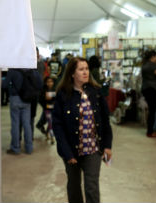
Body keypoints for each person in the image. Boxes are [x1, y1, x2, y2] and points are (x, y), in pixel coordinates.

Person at [52, 57, 113, 203]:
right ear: (72, 73)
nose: (85, 72)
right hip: (71, 150)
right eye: (81, 69)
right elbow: (57, 126)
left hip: (93, 148)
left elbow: (105, 121)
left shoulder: (96, 92)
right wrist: (67, 153)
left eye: (86, 69)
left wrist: (107, 145)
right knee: (74, 186)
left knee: (91, 186)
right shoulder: (63, 94)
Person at [4, 66, 42, 155]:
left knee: (15, 123)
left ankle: (15, 148)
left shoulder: (12, 70)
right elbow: (40, 84)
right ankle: (29, 148)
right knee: (27, 123)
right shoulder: (32, 70)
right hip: (27, 99)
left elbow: (4, 85)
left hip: (15, 98)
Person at [37, 76, 57, 143]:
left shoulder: (55, 89)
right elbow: (40, 99)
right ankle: (52, 137)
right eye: (48, 82)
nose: (50, 83)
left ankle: (47, 133)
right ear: (45, 83)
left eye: (51, 81)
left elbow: (57, 99)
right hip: (47, 109)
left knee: (50, 123)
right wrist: (45, 103)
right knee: (50, 122)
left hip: (54, 110)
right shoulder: (43, 90)